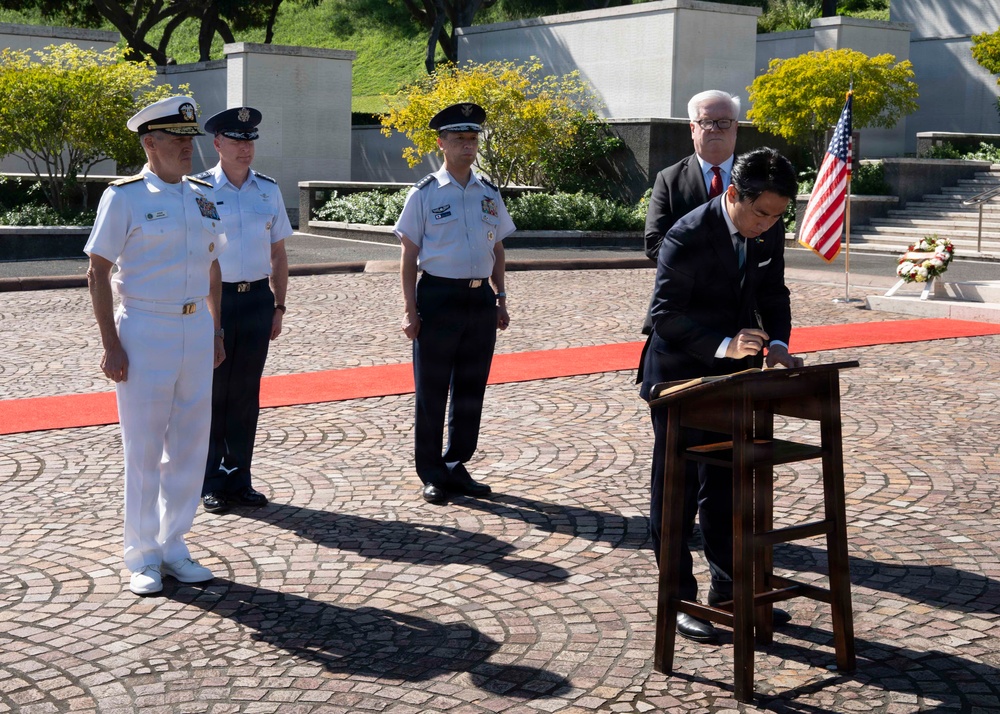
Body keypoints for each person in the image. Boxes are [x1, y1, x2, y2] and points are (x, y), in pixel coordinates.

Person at [638, 147, 804, 644]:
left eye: (778, 215)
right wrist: (725, 344)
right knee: (677, 494)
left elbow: (773, 292)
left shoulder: (767, 226)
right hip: (679, 379)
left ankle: (730, 594)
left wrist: (776, 344)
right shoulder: (687, 235)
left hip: (735, 380)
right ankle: (679, 600)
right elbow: (663, 316)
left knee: (728, 490)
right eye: (760, 213)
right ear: (734, 194)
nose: (768, 224)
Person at [84, 96, 227, 596]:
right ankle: (141, 554)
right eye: (176, 140)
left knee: (190, 445)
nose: (189, 149)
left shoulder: (203, 194)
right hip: (144, 327)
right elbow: (97, 271)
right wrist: (111, 344)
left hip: (195, 329)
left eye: (190, 140)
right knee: (144, 448)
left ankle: (173, 546)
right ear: (150, 143)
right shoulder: (123, 197)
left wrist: (217, 330)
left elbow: (212, 266)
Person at [393, 102, 515, 505]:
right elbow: (409, 255)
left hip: (479, 298)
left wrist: (499, 297)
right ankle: (430, 470)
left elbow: (496, 247)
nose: (468, 145)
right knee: (432, 388)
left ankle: (456, 463)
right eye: (460, 138)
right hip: (439, 296)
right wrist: (411, 311)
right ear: (442, 143)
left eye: (473, 137)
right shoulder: (425, 193)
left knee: (470, 387)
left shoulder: (489, 191)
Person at [195, 106, 292, 515]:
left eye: (250, 140)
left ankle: (241, 477)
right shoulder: (197, 189)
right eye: (236, 140)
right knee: (213, 394)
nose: (245, 148)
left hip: (255, 301)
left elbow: (279, 252)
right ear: (217, 144)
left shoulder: (268, 190)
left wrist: (279, 305)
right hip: (214, 302)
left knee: (246, 395)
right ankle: (210, 480)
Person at [642, 90, 741, 334]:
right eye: (706, 121)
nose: (715, 128)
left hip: (741, 313)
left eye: (724, 122)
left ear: (736, 127)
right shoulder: (669, 179)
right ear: (692, 128)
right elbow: (654, 243)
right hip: (681, 310)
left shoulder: (757, 178)